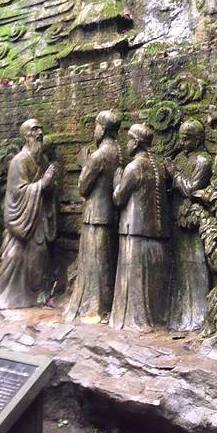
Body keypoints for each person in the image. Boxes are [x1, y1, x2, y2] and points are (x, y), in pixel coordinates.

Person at [0, 119, 57, 309]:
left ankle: (33, 295)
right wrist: (42, 184)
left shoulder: (43, 160)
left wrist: (50, 186)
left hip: (38, 218)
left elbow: (48, 189)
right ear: (26, 135)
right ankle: (6, 296)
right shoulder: (18, 161)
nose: (39, 133)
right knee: (15, 258)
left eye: (40, 129)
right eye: (34, 129)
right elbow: (17, 193)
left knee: (39, 255)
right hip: (22, 221)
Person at [110, 124, 170, 331]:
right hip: (155, 232)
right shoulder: (158, 167)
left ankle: (132, 321)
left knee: (134, 280)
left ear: (136, 143)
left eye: (129, 140)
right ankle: (153, 320)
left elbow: (119, 198)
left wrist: (116, 182)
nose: (126, 144)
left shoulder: (133, 167)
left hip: (134, 230)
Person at [67, 111, 122, 321]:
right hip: (112, 215)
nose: (94, 130)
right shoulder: (120, 153)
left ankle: (95, 307)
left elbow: (83, 187)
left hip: (95, 215)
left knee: (96, 264)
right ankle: (104, 304)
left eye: (96, 126)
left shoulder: (98, 156)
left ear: (103, 129)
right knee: (106, 262)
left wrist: (84, 165)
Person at [164, 120, 212, 331]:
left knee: (194, 266)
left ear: (198, 139)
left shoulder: (203, 161)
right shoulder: (179, 158)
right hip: (176, 219)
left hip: (191, 220)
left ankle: (197, 316)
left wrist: (174, 173)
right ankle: (179, 314)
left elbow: (191, 189)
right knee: (179, 268)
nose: (182, 142)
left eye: (187, 138)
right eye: (181, 138)